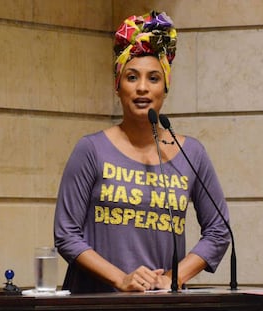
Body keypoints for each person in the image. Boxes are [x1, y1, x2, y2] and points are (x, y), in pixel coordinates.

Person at [54, 11, 230, 293]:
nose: (142, 88)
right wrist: (120, 279)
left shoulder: (191, 153)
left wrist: (174, 277)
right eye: (132, 77)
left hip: (162, 302)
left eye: (154, 78)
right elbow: (66, 235)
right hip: (98, 301)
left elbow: (219, 231)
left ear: (165, 87)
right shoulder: (91, 150)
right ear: (118, 86)